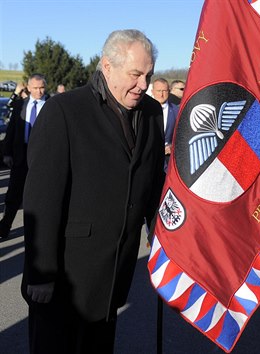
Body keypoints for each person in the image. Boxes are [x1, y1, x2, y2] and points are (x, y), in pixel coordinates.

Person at [21, 29, 165, 353]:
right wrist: (40, 272)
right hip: (64, 281)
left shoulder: (152, 115)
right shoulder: (64, 111)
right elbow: (42, 198)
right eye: (136, 74)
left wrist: (166, 241)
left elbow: (153, 185)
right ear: (107, 66)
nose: (144, 84)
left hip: (113, 276)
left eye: (149, 75)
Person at [0, 74, 47, 239]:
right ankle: (5, 226)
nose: (39, 91)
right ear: (28, 88)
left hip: (42, 159)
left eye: (42, 87)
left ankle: (38, 229)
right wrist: (6, 153)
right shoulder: (20, 105)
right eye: (35, 88)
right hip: (21, 157)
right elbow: (11, 131)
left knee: (39, 196)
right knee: (13, 194)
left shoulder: (52, 106)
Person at [151, 77, 178, 169]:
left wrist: (172, 146)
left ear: (169, 91)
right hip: (150, 160)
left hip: (168, 163)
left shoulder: (177, 110)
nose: (161, 94)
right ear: (152, 91)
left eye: (164, 91)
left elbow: (182, 134)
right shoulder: (143, 111)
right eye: (158, 91)